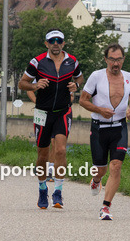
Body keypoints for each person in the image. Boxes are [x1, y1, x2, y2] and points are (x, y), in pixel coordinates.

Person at [18, 29, 82, 209]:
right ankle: (42, 189)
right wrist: (35, 85)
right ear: (46, 43)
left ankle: (58, 192)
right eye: (52, 41)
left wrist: (76, 85)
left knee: (60, 150)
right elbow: (22, 83)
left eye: (58, 40)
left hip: (63, 111)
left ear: (63, 43)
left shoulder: (72, 61)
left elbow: (80, 77)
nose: (55, 44)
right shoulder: (37, 62)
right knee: (43, 154)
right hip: (42, 112)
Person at [79, 44, 130, 220]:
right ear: (106, 59)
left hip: (119, 128)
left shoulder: (129, 78)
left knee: (116, 166)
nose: (116, 63)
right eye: (112, 59)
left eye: (119, 59)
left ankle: (105, 207)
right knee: (101, 169)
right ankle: (96, 180)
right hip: (99, 128)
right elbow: (83, 100)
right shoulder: (96, 76)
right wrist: (99, 110)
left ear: (123, 60)